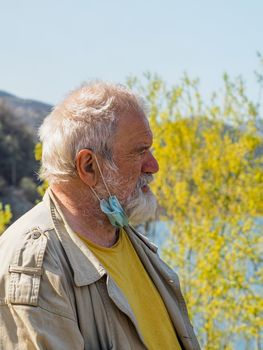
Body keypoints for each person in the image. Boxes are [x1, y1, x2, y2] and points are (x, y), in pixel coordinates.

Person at [0, 82, 200, 350]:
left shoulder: (124, 236)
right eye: (140, 152)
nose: (154, 166)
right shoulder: (36, 264)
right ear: (89, 166)